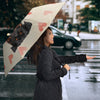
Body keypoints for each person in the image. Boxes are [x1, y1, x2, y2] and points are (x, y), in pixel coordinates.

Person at [27, 27, 96, 100]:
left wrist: (82, 57)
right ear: (43, 37)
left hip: (47, 90)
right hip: (48, 92)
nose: (53, 36)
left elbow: (62, 59)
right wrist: (64, 70)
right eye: (50, 34)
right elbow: (47, 75)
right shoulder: (46, 52)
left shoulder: (46, 51)